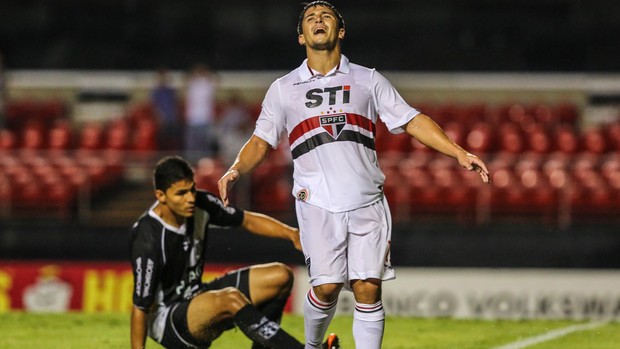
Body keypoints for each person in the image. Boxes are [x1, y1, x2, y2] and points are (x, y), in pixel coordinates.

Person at [217, 2, 491, 349]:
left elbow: (411, 119)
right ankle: (313, 347)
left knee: (367, 286)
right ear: (301, 37)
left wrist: (458, 152)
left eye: (326, 16)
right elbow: (261, 141)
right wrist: (235, 169)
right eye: (310, 19)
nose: (318, 20)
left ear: (341, 32)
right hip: (316, 201)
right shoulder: (283, 89)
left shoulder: (368, 79)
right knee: (327, 287)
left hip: (367, 200)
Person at [130, 156, 340, 349]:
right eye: (181, 193)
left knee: (280, 276)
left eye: (192, 189)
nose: (190, 198)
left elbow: (245, 219)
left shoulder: (200, 204)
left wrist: (292, 234)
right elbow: (140, 307)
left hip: (197, 294)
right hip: (169, 320)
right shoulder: (148, 237)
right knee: (231, 299)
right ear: (161, 196)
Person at [184, 64, 218, 161]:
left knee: (205, 145)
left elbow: (216, 79)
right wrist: (195, 74)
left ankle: (206, 165)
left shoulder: (208, 84)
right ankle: (191, 163)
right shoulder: (192, 84)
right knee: (192, 146)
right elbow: (185, 79)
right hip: (192, 119)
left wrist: (206, 74)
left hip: (205, 119)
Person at [151, 68, 181, 151]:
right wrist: (159, 117)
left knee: (174, 141)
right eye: (162, 77)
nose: (164, 79)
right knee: (162, 142)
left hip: (172, 120)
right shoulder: (156, 91)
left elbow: (176, 104)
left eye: (166, 77)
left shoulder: (171, 91)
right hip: (162, 121)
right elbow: (155, 106)